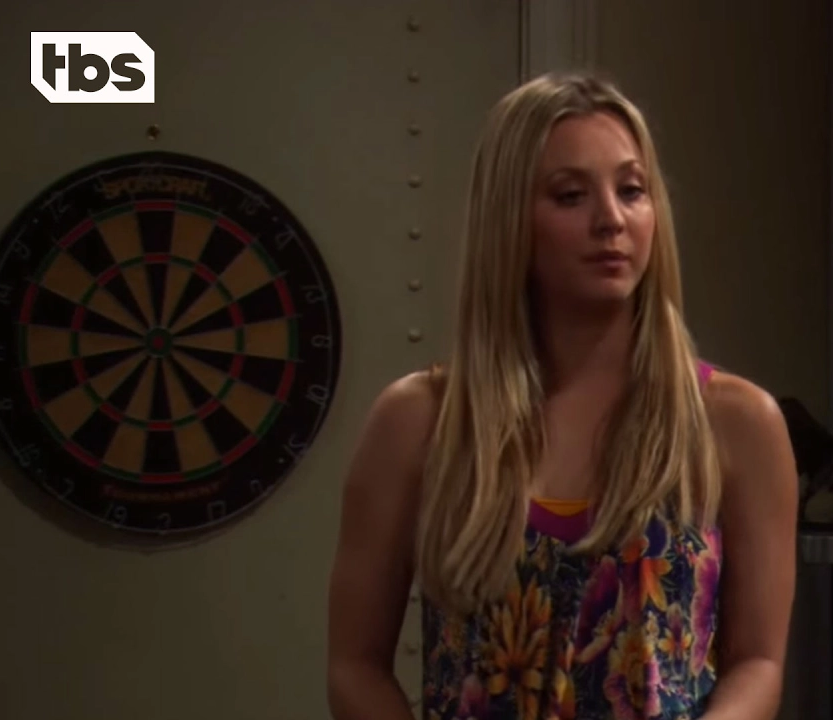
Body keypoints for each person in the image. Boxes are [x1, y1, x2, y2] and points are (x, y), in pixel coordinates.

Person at [326, 71, 799, 720]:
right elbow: (354, 666)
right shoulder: (422, 421)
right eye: (571, 195)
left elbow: (759, 662)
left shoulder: (736, 422)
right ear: (509, 217)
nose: (611, 220)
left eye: (631, 190)